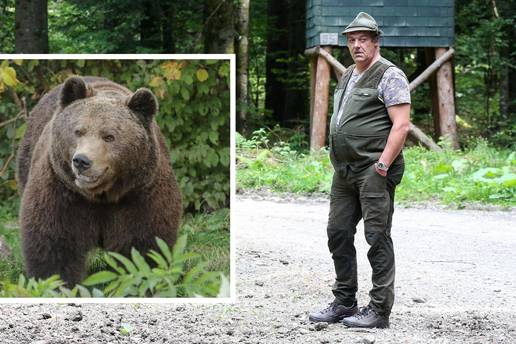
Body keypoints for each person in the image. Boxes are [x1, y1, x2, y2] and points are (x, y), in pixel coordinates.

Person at [308, 12, 411, 328]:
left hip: (374, 170)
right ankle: (344, 301)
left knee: (377, 237)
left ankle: (379, 311)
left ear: (375, 41)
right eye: (351, 40)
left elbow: (401, 125)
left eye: (363, 39)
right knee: (337, 231)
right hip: (345, 171)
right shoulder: (348, 73)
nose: (356, 45)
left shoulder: (390, 76)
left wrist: (382, 165)